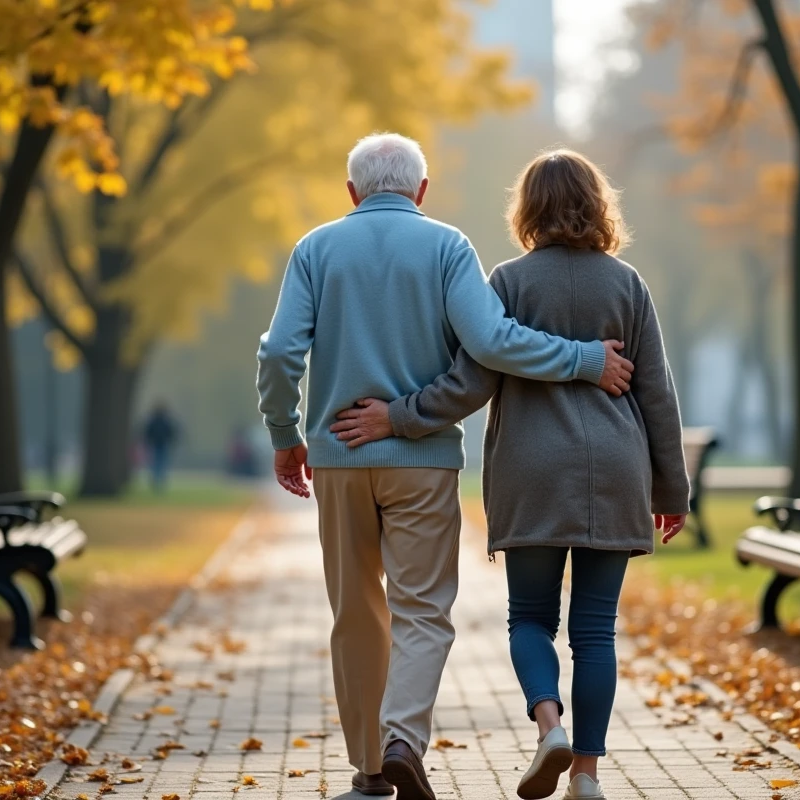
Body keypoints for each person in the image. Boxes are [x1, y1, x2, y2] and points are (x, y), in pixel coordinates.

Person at [256, 134, 635, 800]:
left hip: (339, 458)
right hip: (424, 461)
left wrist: (287, 434)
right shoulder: (447, 247)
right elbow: (491, 343)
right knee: (422, 612)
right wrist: (584, 359)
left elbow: (281, 350)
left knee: (354, 612)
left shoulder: (315, 248)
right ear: (421, 191)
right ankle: (404, 736)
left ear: (354, 193)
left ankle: (371, 770)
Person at [329, 149, 690, 800]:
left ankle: (548, 724)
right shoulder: (627, 285)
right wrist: (671, 491)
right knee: (596, 629)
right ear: (599, 203)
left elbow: (469, 381)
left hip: (531, 470)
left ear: (527, 208)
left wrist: (399, 416)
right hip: (615, 469)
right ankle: (586, 774)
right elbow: (657, 394)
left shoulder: (508, 282)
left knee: (529, 617)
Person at [142, 403, 179, 493]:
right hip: (158, 445)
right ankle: (158, 482)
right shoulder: (163, 421)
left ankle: (158, 481)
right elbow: (170, 433)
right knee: (160, 464)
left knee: (157, 464)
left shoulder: (154, 421)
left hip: (159, 445)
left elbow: (148, 433)